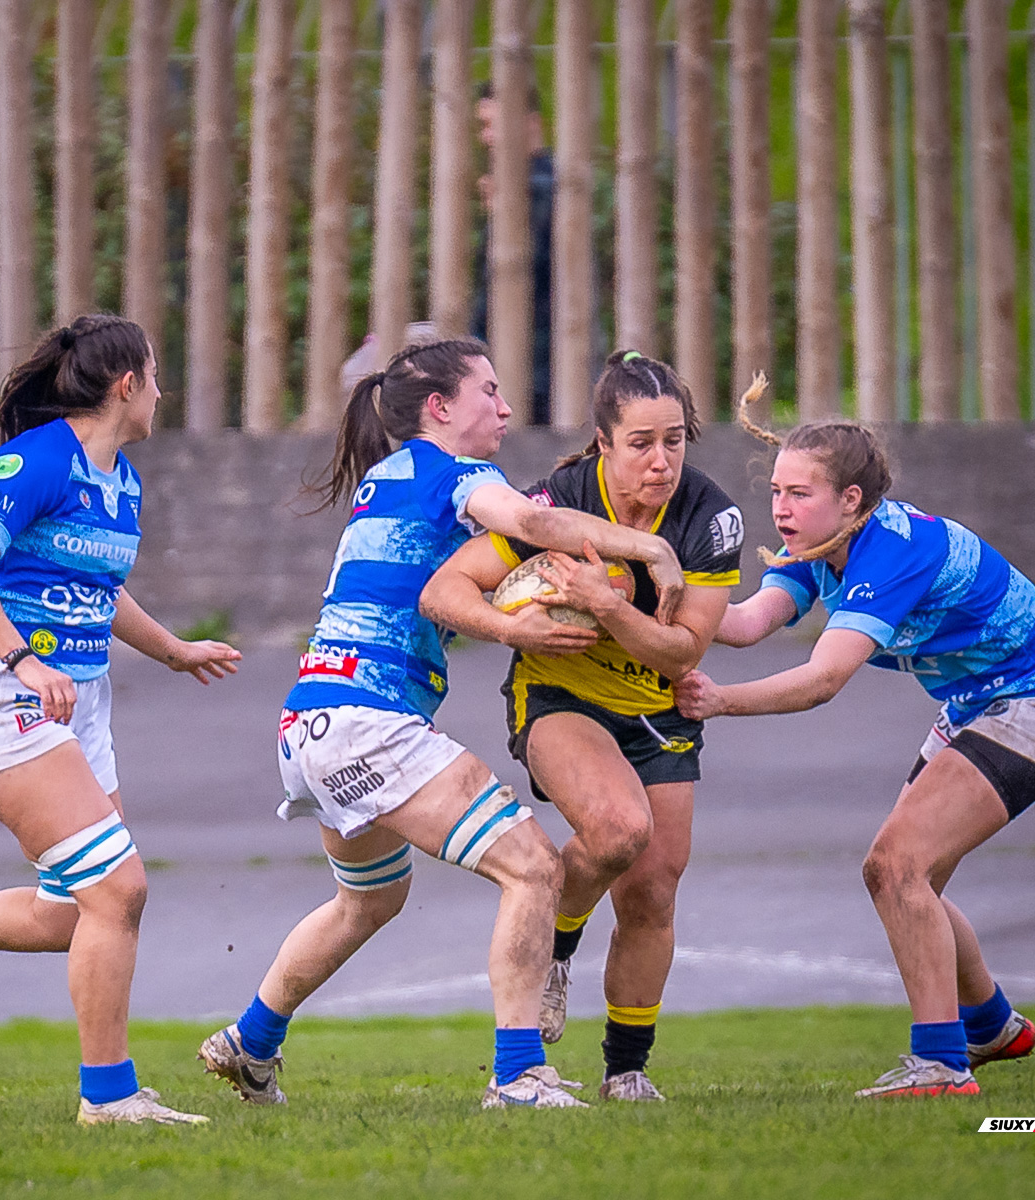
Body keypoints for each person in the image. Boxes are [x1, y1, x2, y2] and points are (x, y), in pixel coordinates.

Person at [197, 338, 690, 1112]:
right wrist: (651, 546)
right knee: (533, 866)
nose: (503, 407)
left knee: (369, 901)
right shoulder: (453, 472)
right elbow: (529, 520)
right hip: (370, 720)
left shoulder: (388, 476)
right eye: (488, 392)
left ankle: (250, 1043)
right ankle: (520, 1077)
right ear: (439, 409)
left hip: (312, 720)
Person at [0, 314, 240, 1127]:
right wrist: (23, 658)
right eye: (157, 375)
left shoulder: (121, 480)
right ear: (126, 384)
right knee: (120, 888)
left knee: (71, 911)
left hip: (77, 704)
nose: (163, 392)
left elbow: (99, 588)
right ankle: (109, 1097)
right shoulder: (37, 461)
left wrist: (171, 650)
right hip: (3, 693)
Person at [673, 390, 1035, 1099]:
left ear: (852, 499)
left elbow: (824, 678)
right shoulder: (819, 547)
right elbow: (744, 623)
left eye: (799, 493)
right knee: (906, 878)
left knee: (898, 866)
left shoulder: (891, 549)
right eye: (776, 490)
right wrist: (649, 587)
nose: (780, 508)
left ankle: (941, 1066)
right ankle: (990, 1026)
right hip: (977, 705)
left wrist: (719, 702)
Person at [420, 349, 744, 1102]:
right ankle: (559, 945)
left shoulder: (709, 516)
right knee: (617, 827)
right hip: (559, 696)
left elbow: (682, 653)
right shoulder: (561, 500)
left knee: (653, 890)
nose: (660, 462)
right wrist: (511, 631)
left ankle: (625, 1069)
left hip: (656, 709)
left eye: (674, 441)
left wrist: (604, 604)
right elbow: (445, 588)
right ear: (604, 443)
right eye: (640, 443)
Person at [469, 83, 554, 425]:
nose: (485, 138)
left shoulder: (544, 189)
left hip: (540, 368)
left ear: (530, 125)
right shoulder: (524, 188)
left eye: (492, 126)